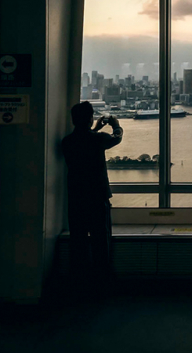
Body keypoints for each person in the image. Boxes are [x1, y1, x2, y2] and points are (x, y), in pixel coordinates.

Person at [62, 102, 123, 289]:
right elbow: (116, 138)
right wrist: (116, 124)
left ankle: (79, 282)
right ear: (89, 119)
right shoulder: (98, 139)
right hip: (97, 197)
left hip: (76, 198)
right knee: (100, 240)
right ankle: (101, 281)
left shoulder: (67, 142)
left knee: (78, 240)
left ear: (73, 120)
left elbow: (83, 139)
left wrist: (94, 128)